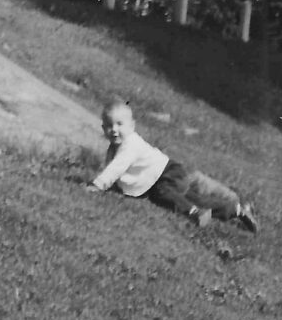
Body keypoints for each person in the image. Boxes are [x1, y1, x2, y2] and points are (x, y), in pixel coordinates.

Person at [85, 99, 259, 232]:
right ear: (103, 128)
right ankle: (236, 210)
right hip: (158, 178)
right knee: (198, 200)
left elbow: (116, 168)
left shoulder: (129, 145)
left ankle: (193, 213)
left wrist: (98, 185)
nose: (114, 129)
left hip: (167, 173)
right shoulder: (114, 147)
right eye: (109, 126)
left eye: (119, 124)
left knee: (163, 194)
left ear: (132, 126)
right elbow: (116, 170)